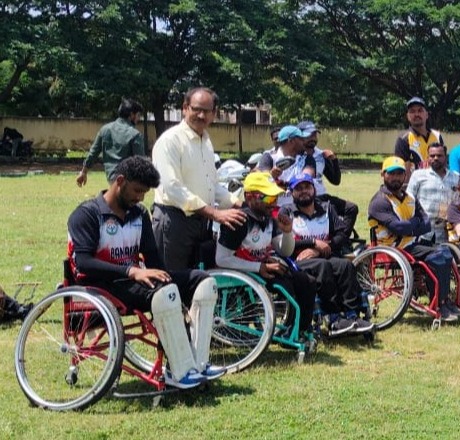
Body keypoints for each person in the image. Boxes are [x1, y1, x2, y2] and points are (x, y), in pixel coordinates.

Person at [68, 156, 223, 388]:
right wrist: (132, 271)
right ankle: (178, 370)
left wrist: (170, 280)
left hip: (135, 281)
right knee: (165, 292)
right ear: (119, 181)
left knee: (203, 282)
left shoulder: (139, 214)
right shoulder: (86, 215)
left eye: (144, 193)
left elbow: (153, 260)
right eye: (137, 190)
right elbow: (84, 263)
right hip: (101, 285)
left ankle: (198, 362)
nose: (140, 198)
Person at [152, 87, 245, 271]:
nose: (201, 115)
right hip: (174, 221)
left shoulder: (206, 142)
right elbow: (172, 188)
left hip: (201, 222)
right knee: (171, 282)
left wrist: (235, 202)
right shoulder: (170, 141)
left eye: (207, 111)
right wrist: (215, 213)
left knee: (200, 282)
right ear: (185, 108)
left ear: (214, 114)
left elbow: (212, 185)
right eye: (196, 109)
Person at [215, 172, 318, 338]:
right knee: (286, 287)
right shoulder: (239, 221)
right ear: (249, 197)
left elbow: (285, 251)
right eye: (268, 199)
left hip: (264, 268)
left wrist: (287, 232)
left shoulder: (269, 217)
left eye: (275, 198)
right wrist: (259, 267)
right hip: (244, 272)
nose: (273, 204)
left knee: (307, 282)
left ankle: (299, 330)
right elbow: (221, 259)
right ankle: (288, 331)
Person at [369, 157, 460, 322]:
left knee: (446, 253)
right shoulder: (379, 202)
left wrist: (410, 226)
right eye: (392, 174)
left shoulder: (410, 198)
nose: (396, 178)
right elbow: (398, 228)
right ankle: (440, 304)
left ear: (405, 176)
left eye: (400, 174)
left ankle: (445, 301)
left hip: (411, 244)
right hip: (393, 249)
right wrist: (414, 224)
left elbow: (426, 224)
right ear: (383, 174)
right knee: (437, 256)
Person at [278, 174, 374, 337]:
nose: (304, 192)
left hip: (322, 255)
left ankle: (352, 315)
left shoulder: (327, 208)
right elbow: (284, 240)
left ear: (314, 189)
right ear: (292, 193)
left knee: (346, 265)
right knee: (324, 266)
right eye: (298, 189)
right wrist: (313, 243)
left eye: (307, 187)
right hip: (297, 259)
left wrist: (324, 247)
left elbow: (341, 235)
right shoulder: (287, 212)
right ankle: (334, 317)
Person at [77, 98, 146, 187]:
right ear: (131, 115)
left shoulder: (105, 130)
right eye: (138, 115)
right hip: (129, 181)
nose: (139, 119)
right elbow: (141, 163)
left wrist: (83, 172)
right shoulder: (135, 135)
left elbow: (93, 153)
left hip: (111, 178)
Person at [407, 143, 460, 244]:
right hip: (422, 232)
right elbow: (409, 201)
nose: (435, 158)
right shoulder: (418, 175)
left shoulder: (456, 178)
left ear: (445, 157)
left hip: (445, 233)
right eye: (432, 156)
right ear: (427, 158)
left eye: (439, 155)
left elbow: (458, 203)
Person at [393, 97, 444, 173]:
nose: (416, 114)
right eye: (412, 111)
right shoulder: (403, 139)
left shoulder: (437, 136)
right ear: (408, 116)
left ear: (426, 115)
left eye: (420, 111)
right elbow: (401, 170)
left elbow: (443, 163)